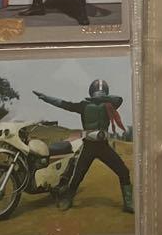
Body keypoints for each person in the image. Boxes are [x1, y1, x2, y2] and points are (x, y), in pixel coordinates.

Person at [34, 80, 133, 212]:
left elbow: (119, 99)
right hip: (89, 146)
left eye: (101, 92)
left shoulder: (109, 104)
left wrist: (101, 98)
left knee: (123, 171)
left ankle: (128, 203)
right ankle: (68, 199)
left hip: (103, 146)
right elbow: (63, 104)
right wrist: (46, 98)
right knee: (77, 175)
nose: (99, 93)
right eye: (98, 91)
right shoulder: (84, 105)